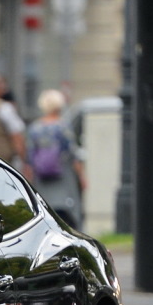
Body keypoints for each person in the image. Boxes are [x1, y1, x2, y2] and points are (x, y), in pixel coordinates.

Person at [26, 89, 88, 229]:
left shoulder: (35, 128)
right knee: (68, 209)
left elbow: (29, 156)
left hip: (41, 176)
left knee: (46, 208)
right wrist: (81, 177)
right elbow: (73, 154)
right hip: (63, 175)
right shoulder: (63, 126)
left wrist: (29, 177)